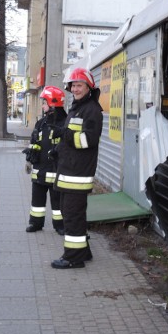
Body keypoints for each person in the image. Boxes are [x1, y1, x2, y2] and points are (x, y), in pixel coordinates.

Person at [51, 68, 103, 269]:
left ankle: (73, 258)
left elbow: (88, 140)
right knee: (69, 213)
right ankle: (83, 251)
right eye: (73, 85)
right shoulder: (76, 108)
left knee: (73, 216)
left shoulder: (92, 110)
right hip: (69, 172)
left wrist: (65, 136)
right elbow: (71, 138)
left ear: (88, 87)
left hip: (78, 175)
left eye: (79, 85)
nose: (75, 88)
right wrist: (58, 149)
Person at [23, 86, 68, 235]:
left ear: (53, 103)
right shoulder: (41, 123)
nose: (42, 106)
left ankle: (60, 225)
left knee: (57, 203)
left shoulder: (65, 123)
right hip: (39, 171)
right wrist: (29, 158)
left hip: (56, 171)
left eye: (44, 102)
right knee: (37, 202)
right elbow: (34, 141)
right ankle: (35, 223)